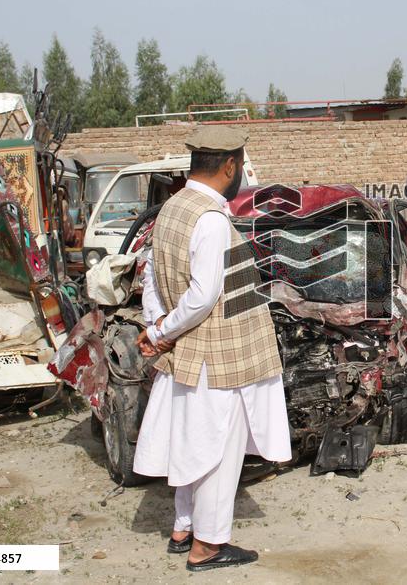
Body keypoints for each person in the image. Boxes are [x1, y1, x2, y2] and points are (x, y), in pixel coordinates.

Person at [133, 125, 291, 572]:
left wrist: (157, 326)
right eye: (238, 164)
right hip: (219, 357)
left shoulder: (172, 208)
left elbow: (153, 281)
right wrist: (163, 330)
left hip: (190, 351)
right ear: (229, 166)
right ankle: (208, 546)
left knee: (193, 442)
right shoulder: (211, 220)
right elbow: (203, 296)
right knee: (218, 451)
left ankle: (183, 527)